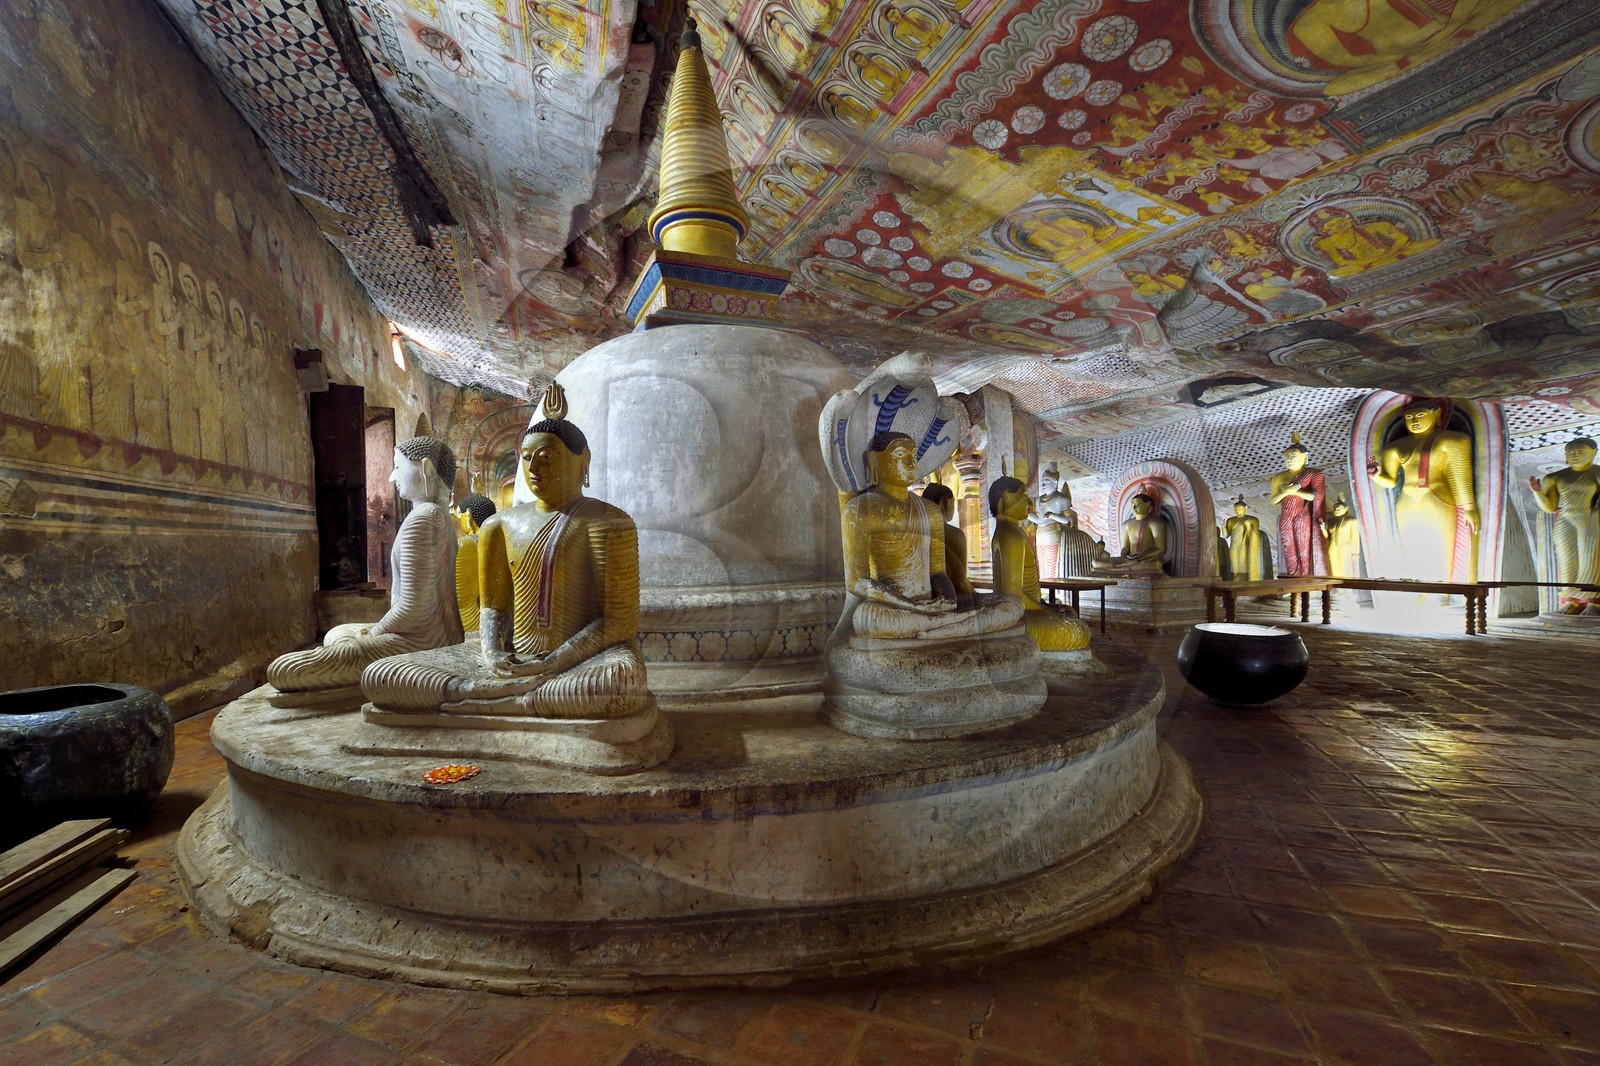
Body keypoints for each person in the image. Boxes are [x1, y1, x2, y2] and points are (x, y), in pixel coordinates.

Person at [362, 385, 652, 720]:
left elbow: (619, 621)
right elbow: (492, 610)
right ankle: (516, 699)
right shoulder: (498, 526)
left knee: (618, 682)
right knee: (382, 676)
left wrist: (555, 660)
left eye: (547, 457)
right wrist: (492, 652)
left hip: (581, 661)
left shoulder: (609, 522)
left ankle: (493, 701)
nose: (534, 469)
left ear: (582, 460)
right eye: (526, 458)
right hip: (509, 659)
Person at [266, 436, 463, 705]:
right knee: (338, 633)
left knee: (283, 670)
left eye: (398, 466)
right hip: (433, 635)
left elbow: (414, 609)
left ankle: (367, 679)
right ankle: (360, 673)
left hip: (421, 644)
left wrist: (373, 634)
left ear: (426, 468)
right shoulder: (438, 516)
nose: (393, 477)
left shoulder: (424, 518)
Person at [836, 432, 1021, 640]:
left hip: (931, 606)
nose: (910, 461)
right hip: (894, 609)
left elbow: (938, 572)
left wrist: (947, 599)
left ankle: (941, 628)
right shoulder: (860, 510)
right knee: (868, 619)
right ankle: (953, 626)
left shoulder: (930, 511)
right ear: (875, 460)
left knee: (1012, 604)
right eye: (900, 454)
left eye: (913, 455)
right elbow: (857, 581)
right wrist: (910, 604)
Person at [1367, 399, 1479, 582]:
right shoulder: (1394, 447)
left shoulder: (1452, 440)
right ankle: (1420, 589)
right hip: (1406, 499)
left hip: (1436, 496)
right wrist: (1376, 475)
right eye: (1409, 417)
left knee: (1440, 546)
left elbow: (1461, 474)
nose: (1414, 421)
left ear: (1437, 414)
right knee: (1412, 544)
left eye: (1420, 415)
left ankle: (1443, 590)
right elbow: (1389, 482)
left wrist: (1469, 507)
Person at [990, 477, 1090, 651]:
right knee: (1078, 631)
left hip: (1021, 611)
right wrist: (1047, 611)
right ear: (1005, 499)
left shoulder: (1011, 531)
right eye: (1023, 496)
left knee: (1068, 612)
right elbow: (1013, 594)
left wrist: (1045, 607)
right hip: (1018, 617)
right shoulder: (1010, 535)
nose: (1029, 502)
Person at [1527, 437, 1600, 613]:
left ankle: (1592, 601)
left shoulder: (1597, 473)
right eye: (1570, 452)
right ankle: (1571, 600)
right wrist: (1536, 491)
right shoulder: (1555, 477)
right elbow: (1550, 507)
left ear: (1594, 452)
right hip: (1565, 519)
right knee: (1566, 558)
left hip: (1590, 518)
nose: (1575, 455)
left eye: (1580, 451)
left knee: (1589, 557)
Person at [1269, 434, 1328, 576]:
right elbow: (1274, 500)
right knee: (1289, 547)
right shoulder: (1278, 477)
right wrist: (1285, 492)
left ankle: (1307, 579)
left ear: (1305, 456)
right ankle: (1293, 578)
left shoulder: (1314, 473)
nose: (1289, 460)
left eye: (1293, 456)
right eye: (1286, 457)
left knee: (1304, 547)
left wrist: (1295, 492)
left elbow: (1316, 495)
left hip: (1304, 514)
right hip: (1286, 515)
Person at [919, 483, 974, 610]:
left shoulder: (915, 531)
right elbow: (960, 581)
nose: (954, 508)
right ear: (944, 502)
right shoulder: (955, 535)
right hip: (950, 598)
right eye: (953, 503)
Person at [1093, 490, 1169, 575]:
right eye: (1132, 505)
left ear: (1147, 504)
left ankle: (1120, 569)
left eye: (1137, 504)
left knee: (1156, 565)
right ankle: (1123, 568)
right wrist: (1125, 556)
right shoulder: (1126, 524)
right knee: (1096, 562)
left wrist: (1140, 557)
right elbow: (1125, 547)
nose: (1134, 508)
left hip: (1145, 560)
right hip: (1129, 560)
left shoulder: (1155, 523)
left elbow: (1160, 548)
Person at [455, 493, 497, 632]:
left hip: (472, 622)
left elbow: (460, 597)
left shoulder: (464, 545)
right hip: (500, 619)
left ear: (468, 515)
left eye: (459, 514)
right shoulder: (500, 541)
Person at [1031, 462, 1075, 580]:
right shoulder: (1038, 500)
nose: (1044, 484)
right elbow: (1039, 520)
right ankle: (1045, 589)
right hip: (1040, 534)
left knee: (1052, 564)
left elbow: (1066, 520)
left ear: (1055, 483)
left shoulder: (1061, 499)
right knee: (1041, 564)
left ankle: (1053, 589)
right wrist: (1026, 515)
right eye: (1043, 482)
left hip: (1053, 533)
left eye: (1047, 481)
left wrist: (1052, 516)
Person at [1224, 496, 1265, 581]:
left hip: (1244, 544)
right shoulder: (1230, 520)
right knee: (1234, 562)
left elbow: (1254, 535)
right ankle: (1234, 577)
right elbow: (1226, 535)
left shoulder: (1252, 519)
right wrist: (1222, 527)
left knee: (1243, 562)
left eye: (1239, 508)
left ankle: (1244, 579)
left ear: (1245, 508)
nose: (1237, 510)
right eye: (1235, 508)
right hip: (1234, 545)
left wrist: (1248, 526)